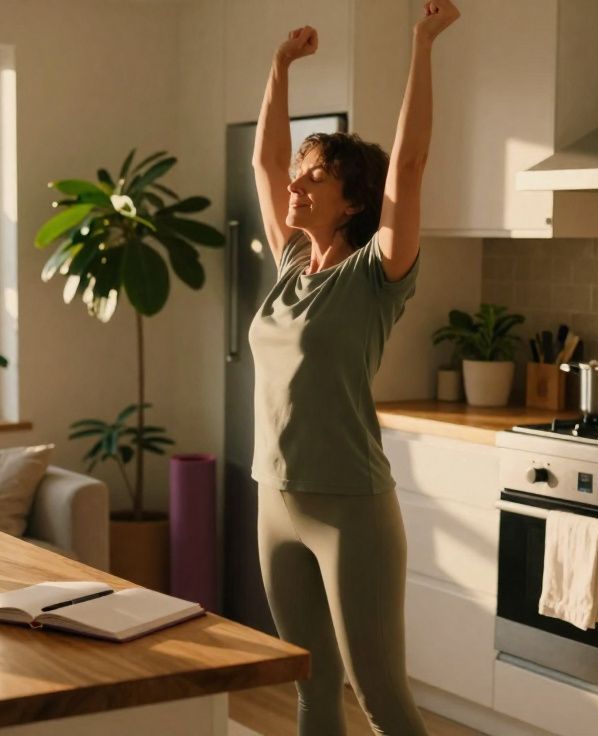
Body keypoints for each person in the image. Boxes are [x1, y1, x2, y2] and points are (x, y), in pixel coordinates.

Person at [247, 2, 460, 734]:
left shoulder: (378, 272)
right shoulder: (290, 265)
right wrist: (278, 68)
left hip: (351, 512)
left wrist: (422, 45)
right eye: (300, 177)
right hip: (276, 501)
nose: (294, 187)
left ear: (355, 200)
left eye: (313, 180)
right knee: (311, 687)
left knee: (380, 697)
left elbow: (412, 162)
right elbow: (264, 162)